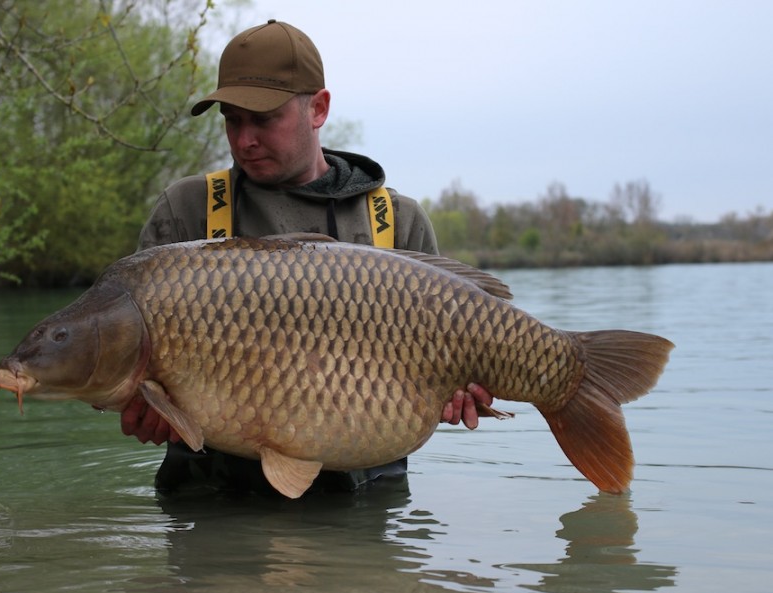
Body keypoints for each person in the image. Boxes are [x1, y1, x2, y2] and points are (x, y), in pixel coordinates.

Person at [120, 19, 494, 495]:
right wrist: (141, 408)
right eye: (232, 120)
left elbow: (446, 379)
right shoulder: (187, 210)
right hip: (213, 503)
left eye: (263, 118)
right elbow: (131, 357)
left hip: (363, 502)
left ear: (318, 109)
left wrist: (465, 395)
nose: (244, 140)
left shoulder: (396, 220)